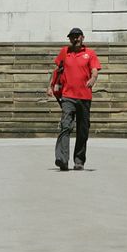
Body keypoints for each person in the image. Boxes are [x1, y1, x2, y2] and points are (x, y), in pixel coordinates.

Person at [47, 28, 101, 171]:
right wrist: (50, 86)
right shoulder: (65, 52)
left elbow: (95, 70)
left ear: (82, 37)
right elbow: (56, 70)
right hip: (68, 97)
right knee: (65, 126)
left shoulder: (90, 53)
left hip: (84, 97)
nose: (75, 39)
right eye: (72, 37)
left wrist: (93, 79)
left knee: (83, 130)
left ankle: (79, 160)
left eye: (77, 36)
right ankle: (62, 159)